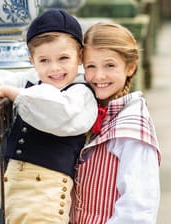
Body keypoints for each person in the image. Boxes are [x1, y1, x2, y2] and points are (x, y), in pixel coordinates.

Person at [0, 9, 98, 224]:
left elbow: (59, 114)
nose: (54, 68)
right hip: (12, 189)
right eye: (44, 60)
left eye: (64, 58)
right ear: (31, 60)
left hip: (46, 193)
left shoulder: (80, 93)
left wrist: (13, 93)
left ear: (80, 57)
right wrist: (3, 90)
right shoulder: (30, 82)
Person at [69, 22, 161, 224]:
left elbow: (138, 209)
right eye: (91, 66)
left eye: (110, 65)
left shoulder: (132, 128)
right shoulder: (91, 110)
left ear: (130, 67)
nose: (98, 76)